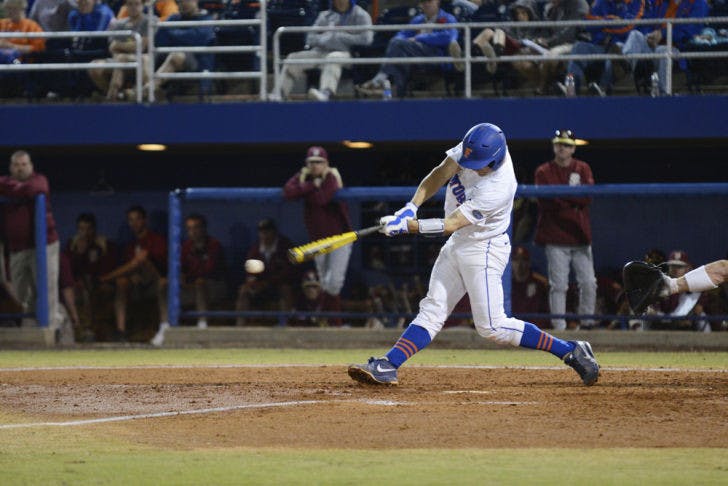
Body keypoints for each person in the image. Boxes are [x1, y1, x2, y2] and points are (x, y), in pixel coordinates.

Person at [347, 123, 600, 387]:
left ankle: (570, 349)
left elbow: (450, 224)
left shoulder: (498, 187)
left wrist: (407, 227)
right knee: (432, 308)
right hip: (460, 242)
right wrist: (410, 208)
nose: (471, 166)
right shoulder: (476, 145)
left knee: (492, 327)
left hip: (484, 248)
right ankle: (388, 365)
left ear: (496, 158)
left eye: (479, 163)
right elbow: (441, 172)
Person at [534, 129, 597, 331]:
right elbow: (546, 202)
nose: (563, 148)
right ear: (554, 146)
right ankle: (558, 328)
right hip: (555, 236)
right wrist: (573, 199)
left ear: (573, 149)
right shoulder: (543, 171)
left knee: (589, 283)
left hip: (580, 236)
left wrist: (562, 197)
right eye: (559, 144)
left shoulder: (583, 168)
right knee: (558, 285)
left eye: (567, 145)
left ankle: (587, 323)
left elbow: (587, 197)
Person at [283, 146, 352, 325]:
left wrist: (305, 190)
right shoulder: (304, 177)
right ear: (307, 164)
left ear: (326, 163)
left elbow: (321, 199)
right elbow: (288, 191)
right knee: (324, 282)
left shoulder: (331, 176)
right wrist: (310, 185)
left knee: (334, 283)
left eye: (319, 162)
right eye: (312, 162)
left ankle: (334, 323)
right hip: (318, 240)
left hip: (340, 238)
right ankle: (329, 324)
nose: (315, 166)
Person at [0, 151, 65, 337]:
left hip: (44, 247)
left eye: (24, 164)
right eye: (16, 165)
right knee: (20, 293)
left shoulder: (40, 179)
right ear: (11, 167)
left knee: (46, 287)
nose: (20, 168)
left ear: (31, 166)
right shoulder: (6, 181)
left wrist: (12, 189)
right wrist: (15, 188)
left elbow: (35, 189)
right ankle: (35, 324)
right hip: (17, 249)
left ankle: (51, 330)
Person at [272, 0, 372, 101]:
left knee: (333, 58)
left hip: (346, 53)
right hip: (321, 52)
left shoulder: (361, 15)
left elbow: (367, 39)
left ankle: (326, 93)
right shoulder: (324, 15)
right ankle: (280, 94)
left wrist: (341, 37)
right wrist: (325, 38)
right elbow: (309, 38)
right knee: (293, 58)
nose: (340, 2)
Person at [355, 0, 458, 98]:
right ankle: (398, 96)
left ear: (437, 1)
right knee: (400, 55)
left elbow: (449, 37)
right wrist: (405, 41)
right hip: (415, 55)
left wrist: (419, 38)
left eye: (429, 1)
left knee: (400, 48)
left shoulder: (447, 18)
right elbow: (401, 35)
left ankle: (379, 81)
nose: (426, 4)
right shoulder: (418, 20)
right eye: (423, 1)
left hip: (436, 56)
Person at [99, 205, 169, 344]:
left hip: (157, 283)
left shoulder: (156, 239)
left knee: (141, 260)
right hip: (138, 287)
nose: (134, 223)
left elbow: (144, 263)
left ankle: (106, 278)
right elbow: (128, 268)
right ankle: (121, 331)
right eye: (131, 220)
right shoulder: (130, 245)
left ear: (145, 220)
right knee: (121, 282)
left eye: (137, 219)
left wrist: (106, 278)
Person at [620, 0, 708, 95]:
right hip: (654, 45)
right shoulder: (662, 2)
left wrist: (663, 34)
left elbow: (691, 32)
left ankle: (664, 93)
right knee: (635, 35)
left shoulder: (698, 3)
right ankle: (634, 78)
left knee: (662, 51)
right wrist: (650, 36)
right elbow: (648, 22)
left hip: (677, 49)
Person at [563, 0, 645, 95]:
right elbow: (588, 24)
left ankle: (603, 89)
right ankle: (571, 88)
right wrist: (609, 20)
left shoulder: (636, 2)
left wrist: (602, 27)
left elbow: (629, 27)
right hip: (600, 45)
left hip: (622, 46)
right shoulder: (601, 2)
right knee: (579, 47)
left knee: (613, 55)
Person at [139, 0, 215, 100]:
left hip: (196, 64)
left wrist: (174, 35)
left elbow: (196, 39)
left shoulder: (206, 18)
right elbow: (160, 41)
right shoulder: (173, 18)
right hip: (167, 61)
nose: (183, 4)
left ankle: (147, 89)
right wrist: (182, 36)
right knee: (144, 58)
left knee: (177, 55)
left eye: (186, 1)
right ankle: (153, 92)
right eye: (179, 2)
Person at [65, 212, 117, 340]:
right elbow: (69, 271)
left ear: (94, 229)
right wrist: (79, 254)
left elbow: (105, 269)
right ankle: (84, 329)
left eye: (88, 229)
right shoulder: (72, 245)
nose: (85, 233)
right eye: (82, 229)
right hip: (79, 285)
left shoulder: (103, 245)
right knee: (82, 291)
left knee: (94, 290)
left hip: (100, 282)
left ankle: (95, 330)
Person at [235, 218, 296, 326]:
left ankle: (285, 326)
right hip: (261, 287)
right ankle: (240, 327)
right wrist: (252, 281)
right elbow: (251, 270)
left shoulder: (285, 247)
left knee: (286, 289)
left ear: (274, 232)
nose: (264, 235)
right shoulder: (256, 248)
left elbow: (289, 272)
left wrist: (267, 283)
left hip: (278, 286)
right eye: (261, 232)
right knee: (244, 290)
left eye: (267, 231)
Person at [88, 0, 153, 100]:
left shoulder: (150, 21)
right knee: (94, 66)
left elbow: (141, 46)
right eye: (130, 4)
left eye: (137, 4)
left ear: (143, 5)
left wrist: (119, 45)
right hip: (118, 58)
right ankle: (120, 95)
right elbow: (112, 47)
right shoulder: (117, 24)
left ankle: (112, 96)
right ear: (125, 6)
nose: (133, 7)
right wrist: (128, 46)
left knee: (125, 58)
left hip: (143, 58)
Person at [180, 213, 227, 329]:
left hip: (215, 286)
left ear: (203, 229)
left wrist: (190, 278)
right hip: (191, 286)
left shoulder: (214, 245)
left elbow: (208, 272)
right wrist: (182, 279)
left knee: (200, 282)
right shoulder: (186, 246)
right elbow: (181, 269)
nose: (193, 232)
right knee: (166, 285)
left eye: (196, 227)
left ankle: (202, 324)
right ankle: (166, 325)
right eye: (189, 229)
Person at [511, 245, 550, 328]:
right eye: (516, 260)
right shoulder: (506, 285)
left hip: (533, 329)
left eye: (524, 260)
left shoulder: (540, 284)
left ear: (529, 262)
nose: (520, 264)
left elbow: (545, 314)